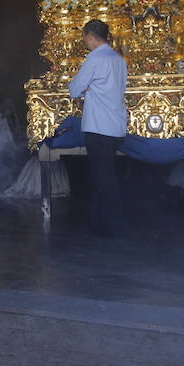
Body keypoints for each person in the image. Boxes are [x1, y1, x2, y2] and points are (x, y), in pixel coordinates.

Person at [68, 20, 128, 236]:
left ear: (90, 36)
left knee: (103, 179)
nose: (84, 41)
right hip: (116, 125)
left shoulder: (95, 59)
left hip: (99, 126)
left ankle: (111, 225)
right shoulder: (118, 59)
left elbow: (75, 89)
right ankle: (99, 222)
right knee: (105, 176)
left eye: (84, 37)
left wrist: (85, 89)